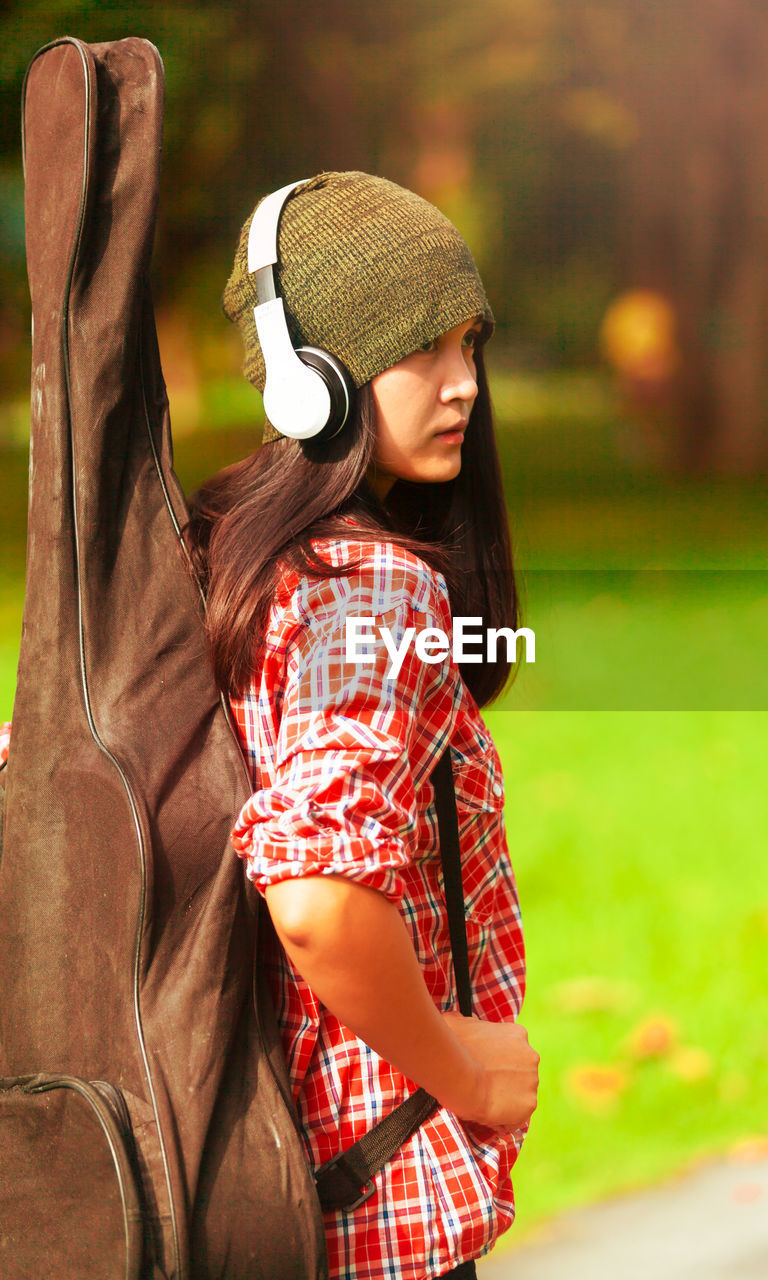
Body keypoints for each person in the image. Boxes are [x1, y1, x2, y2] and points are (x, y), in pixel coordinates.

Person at [5, 169, 539, 1280]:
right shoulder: (374, 589)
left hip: (199, 1176)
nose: (463, 388)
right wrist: (465, 1068)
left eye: (470, 345)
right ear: (312, 378)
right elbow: (317, 900)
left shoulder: (196, 566)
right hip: (362, 1209)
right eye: (420, 348)